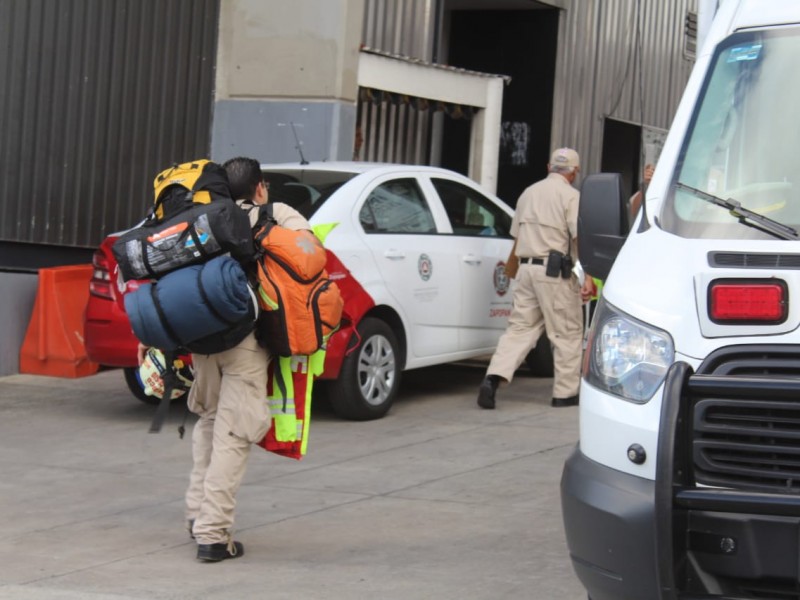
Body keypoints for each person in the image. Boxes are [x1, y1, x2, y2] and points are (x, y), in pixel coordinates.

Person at [137, 157, 309, 562]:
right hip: (245, 342)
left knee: (210, 422)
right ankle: (213, 535)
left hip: (201, 338)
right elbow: (309, 251)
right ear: (260, 187)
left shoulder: (198, 220)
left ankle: (196, 516)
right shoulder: (272, 213)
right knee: (234, 433)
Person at [477, 147, 593, 410]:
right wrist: (586, 276)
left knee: (519, 329)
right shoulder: (571, 197)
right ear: (574, 172)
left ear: (548, 167)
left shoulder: (528, 193)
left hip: (526, 271)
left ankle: (493, 378)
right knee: (566, 333)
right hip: (554, 274)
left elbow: (517, 238)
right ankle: (565, 394)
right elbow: (576, 240)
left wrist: (511, 272)